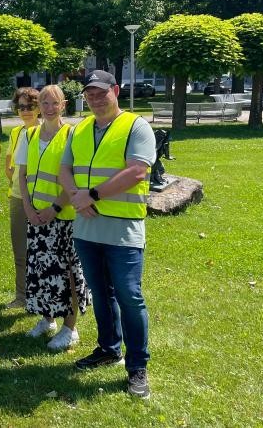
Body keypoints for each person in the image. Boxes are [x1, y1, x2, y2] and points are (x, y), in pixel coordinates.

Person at [58, 70, 156, 399]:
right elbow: (65, 168)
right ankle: (108, 348)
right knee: (101, 294)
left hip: (123, 229)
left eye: (102, 92)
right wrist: (75, 195)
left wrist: (93, 195)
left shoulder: (135, 126)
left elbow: (137, 170)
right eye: (90, 93)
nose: (96, 98)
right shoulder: (80, 128)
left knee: (129, 295)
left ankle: (137, 366)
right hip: (87, 228)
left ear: (115, 90)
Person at [16, 85, 90, 351]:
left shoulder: (72, 134)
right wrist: (27, 207)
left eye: (53, 103)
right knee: (41, 270)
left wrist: (55, 208)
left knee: (67, 272)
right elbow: (22, 176)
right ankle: (47, 319)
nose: (48, 108)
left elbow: (76, 178)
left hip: (63, 218)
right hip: (36, 216)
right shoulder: (30, 135)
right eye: (44, 103)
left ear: (63, 105)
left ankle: (71, 328)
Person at [5, 87, 40, 309]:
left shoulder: (46, 131)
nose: (26, 111)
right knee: (20, 251)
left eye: (30, 106)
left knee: (41, 251)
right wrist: (12, 176)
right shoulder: (16, 133)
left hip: (41, 199)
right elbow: (9, 161)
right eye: (21, 107)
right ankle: (22, 296)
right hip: (18, 197)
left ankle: (40, 296)